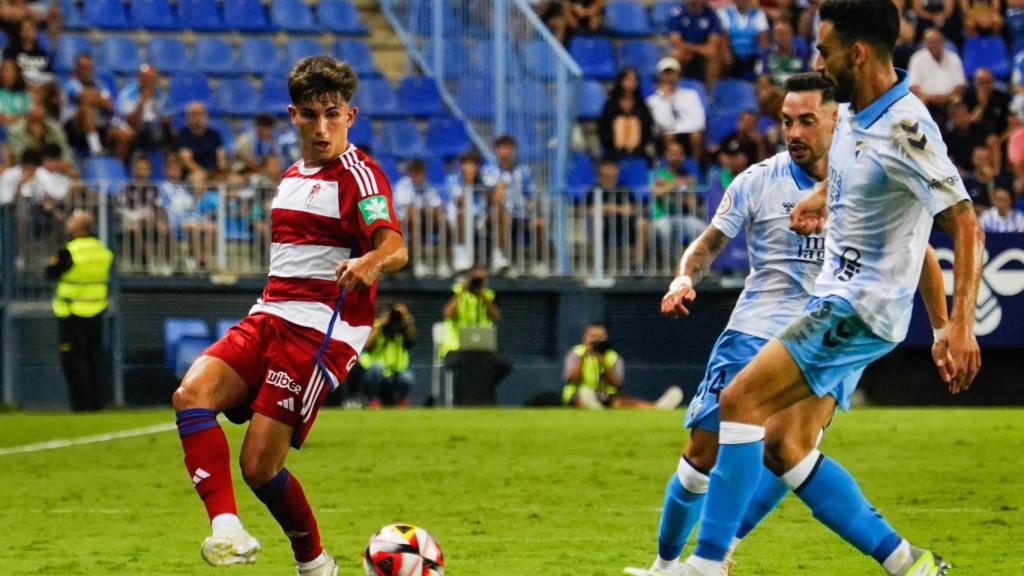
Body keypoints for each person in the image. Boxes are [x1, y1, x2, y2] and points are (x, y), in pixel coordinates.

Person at [671, 1, 983, 574]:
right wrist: (822, 198)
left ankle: (706, 564)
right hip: (839, 301)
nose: (817, 58)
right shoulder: (857, 114)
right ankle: (907, 563)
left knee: (739, 401)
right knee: (785, 447)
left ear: (856, 52)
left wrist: (958, 324)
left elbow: (963, 222)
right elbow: (856, 177)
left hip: (856, 306)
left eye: (825, 48)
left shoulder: (905, 127)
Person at [625, 72, 950, 576]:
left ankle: (712, 558)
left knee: (787, 448)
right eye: (785, 121)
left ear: (834, 119)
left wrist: (943, 326)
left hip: (831, 327)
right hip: (754, 330)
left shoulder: (865, 178)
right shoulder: (759, 179)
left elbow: (920, 251)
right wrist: (682, 278)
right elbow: (709, 242)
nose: (794, 132)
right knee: (704, 454)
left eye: (806, 120)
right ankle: (667, 564)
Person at [170, 55, 407, 575]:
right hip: (269, 313)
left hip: (318, 333)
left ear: (351, 114)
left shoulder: (360, 177)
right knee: (191, 395)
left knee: (258, 466)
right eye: (310, 114)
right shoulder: (291, 176)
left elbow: (395, 245)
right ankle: (226, 529)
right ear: (293, 116)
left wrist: (371, 260)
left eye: (333, 113)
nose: (322, 127)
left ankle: (315, 565)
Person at [44, 210, 113, 412]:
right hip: (97, 308)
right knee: (95, 358)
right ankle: (98, 402)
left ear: (78, 228)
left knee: (74, 360)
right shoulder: (102, 250)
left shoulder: (69, 251)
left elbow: (50, 272)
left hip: (72, 311)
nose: (68, 223)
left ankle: (81, 405)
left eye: (71, 220)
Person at [562, 323, 683, 409]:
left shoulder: (612, 356)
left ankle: (658, 407)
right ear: (585, 337)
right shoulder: (576, 353)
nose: (596, 340)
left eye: (600, 336)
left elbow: (617, 384)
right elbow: (571, 379)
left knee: (622, 401)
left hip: (605, 396)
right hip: (579, 393)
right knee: (584, 395)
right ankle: (592, 405)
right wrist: (584, 357)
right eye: (592, 336)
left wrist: (603, 362)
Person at [481, 135, 546, 274]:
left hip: (519, 215)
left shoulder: (524, 171)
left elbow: (531, 197)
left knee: (540, 223)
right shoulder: (489, 170)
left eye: (510, 147)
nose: (507, 151)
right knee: (502, 212)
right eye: (503, 147)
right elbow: (492, 197)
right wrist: (501, 187)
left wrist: (535, 213)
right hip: (492, 216)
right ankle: (500, 257)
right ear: (497, 150)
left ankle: (539, 263)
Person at [352, 303, 417, 407]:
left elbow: (411, 340)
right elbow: (366, 345)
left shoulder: (404, 331)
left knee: (408, 377)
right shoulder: (379, 327)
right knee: (378, 367)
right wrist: (380, 325)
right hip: (373, 373)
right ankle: (374, 399)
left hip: (395, 373)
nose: (397, 318)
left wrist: (407, 322)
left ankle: (401, 401)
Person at [646, 57, 706, 160]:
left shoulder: (691, 95)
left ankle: (695, 167)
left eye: (672, 73)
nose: (669, 77)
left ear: (678, 75)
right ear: (660, 76)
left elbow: (699, 122)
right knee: (669, 136)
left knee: (696, 136)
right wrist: (667, 99)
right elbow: (665, 124)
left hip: (688, 133)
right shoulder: (652, 101)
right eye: (666, 74)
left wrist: (678, 129)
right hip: (666, 136)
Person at [907, 28, 965, 125]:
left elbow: (960, 85)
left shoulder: (953, 57)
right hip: (927, 101)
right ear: (925, 43)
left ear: (943, 42)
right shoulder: (917, 58)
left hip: (950, 100)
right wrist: (932, 98)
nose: (934, 45)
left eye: (937, 41)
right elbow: (913, 86)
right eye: (931, 42)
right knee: (919, 103)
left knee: (959, 102)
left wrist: (946, 97)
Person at [440, 267, 500, 359]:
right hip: (456, 347)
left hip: (481, 347)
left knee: (502, 364)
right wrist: (462, 291)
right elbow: (448, 315)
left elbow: (496, 316)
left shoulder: (489, 295)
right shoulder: (457, 292)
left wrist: (483, 297)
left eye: (483, 279)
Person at [598, 67, 656, 161]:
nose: (631, 83)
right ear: (621, 81)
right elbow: (603, 128)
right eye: (627, 79)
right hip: (613, 150)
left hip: (638, 151)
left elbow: (648, 128)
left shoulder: (641, 106)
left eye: (634, 80)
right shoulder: (611, 105)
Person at [667, 0, 725, 88]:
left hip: (701, 54)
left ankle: (709, 92)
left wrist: (692, 48)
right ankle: (674, 88)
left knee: (714, 58)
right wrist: (695, 49)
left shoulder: (712, 15)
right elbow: (675, 41)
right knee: (677, 55)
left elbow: (713, 45)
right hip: (686, 52)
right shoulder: (677, 13)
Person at [115, 62, 169, 155]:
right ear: (139, 78)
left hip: (153, 128)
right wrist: (142, 102)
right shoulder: (127, 94)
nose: (149, 81)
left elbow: (165, 116)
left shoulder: (161, 94)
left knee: (171, 133)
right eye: (146, 78)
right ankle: (121, 167)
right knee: (127, 135)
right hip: (132, 128)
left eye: (152, 78)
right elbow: (129, 122)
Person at [176, 100, 228, 183]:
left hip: (214, 172)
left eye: (200, 114)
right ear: (187, 117)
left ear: (206, 116)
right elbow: (187, 161)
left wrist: (221, 172)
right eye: (193, 114)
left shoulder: (214, 134)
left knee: (235, 179)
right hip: (194, 172)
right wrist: (205, 173)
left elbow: (221, 157)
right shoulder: (183, 135)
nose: (197, 118)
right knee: (198, 179)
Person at [716, 0, 770, 80]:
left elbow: (763, 39)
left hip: (753, 54)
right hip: (733, 53)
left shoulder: (758, 14)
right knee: (721, 57)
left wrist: (763, 59)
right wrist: (726, 53)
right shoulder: (724, 12)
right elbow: (724, 37)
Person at [0, 57, 29, 126]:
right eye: (3, 70)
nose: (5, 74)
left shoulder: (24, 95)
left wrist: (11, 119)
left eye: (9, 71)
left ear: (17, 73)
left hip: (19, 131)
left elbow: (28, 116)